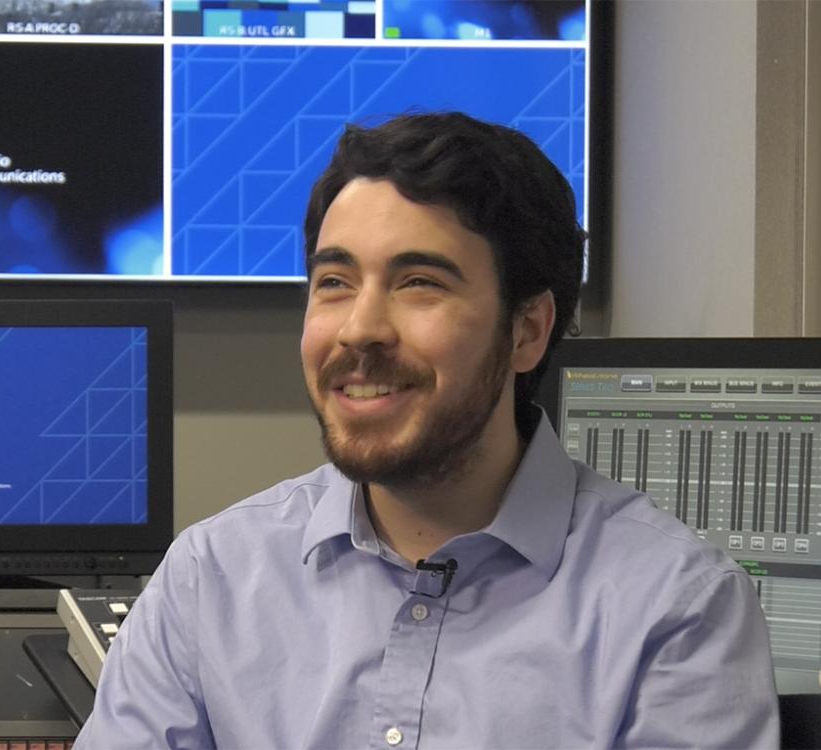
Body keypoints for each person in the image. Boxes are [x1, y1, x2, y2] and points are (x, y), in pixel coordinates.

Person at [75, 112, 779, 749]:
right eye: (334, 282)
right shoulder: (211, 580)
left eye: (419, 283)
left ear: (528, 330)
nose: (360, 329)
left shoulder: (675, 608)